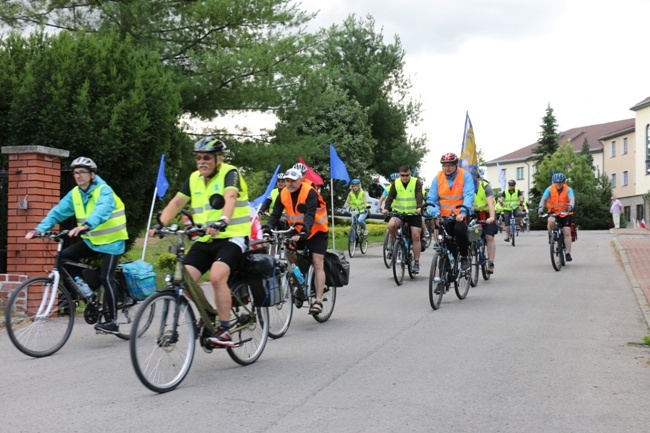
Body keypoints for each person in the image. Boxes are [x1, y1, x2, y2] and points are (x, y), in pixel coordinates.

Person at [151, 137, 251, 347]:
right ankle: (208, 313)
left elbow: (230, 197)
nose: (202, 162)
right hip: (205, 238)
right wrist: (160, 224)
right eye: (198, 158)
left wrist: (223, 220)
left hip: (232, 236)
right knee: (185, 281)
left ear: (219, 159)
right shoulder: (194, 178)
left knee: (216, 277)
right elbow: (177, 202)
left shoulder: (230, 173)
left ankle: (225, 329)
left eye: (207, 157)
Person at [26, 157, 128, 334]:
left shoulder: (104, 191)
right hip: (93, 241)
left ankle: (111, 321)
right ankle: (86, 288)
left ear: (92, 174)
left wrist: (86, 225)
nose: (78, 176)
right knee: (65, 257)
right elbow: (58, 212)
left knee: (106, 278)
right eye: (75, 172)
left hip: (112, 241)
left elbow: (102, 210)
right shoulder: (75, 193)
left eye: (82, 172)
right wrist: (39, 229)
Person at [265, 168, 329, 315]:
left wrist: (303, 232)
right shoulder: (283, 193)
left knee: (318, 262)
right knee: (286, 249)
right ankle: (299, 275)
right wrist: (268, 228)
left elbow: (310, 214)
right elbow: (275, 214)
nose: (290, 183)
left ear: (301, 180)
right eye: (287, 180)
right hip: (297, 229)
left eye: (293, 180)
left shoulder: (309, 192)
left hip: (316, 229)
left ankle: (318, 301)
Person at [426, 153, 474, 270]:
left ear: (456, 165)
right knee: (445, 242)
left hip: (460, 215)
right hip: (444, 216)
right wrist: (435, 213)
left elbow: (468, 194)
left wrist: (463, 212)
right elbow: (432, 199)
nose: (446, 168)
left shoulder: (465, 175)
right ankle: (444, 277)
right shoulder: (438, 178)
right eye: (444, 165)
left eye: (449, 165)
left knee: (459, 230)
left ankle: (463, 256)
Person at [382, 165, 424, 273]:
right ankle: (398, 242)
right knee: (390, 225)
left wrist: (419, 207)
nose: (405, 177)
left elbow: (419, 195)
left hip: (413, 213)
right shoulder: (396, 183)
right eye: (402, 175)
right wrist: (386, 208)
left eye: (407, 175)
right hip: (399, 213)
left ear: (410, 174)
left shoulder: (416, 182)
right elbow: (390, 196)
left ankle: (416, 262)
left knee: (416, 235)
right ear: (399, 174)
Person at [537, 172, 575, 261]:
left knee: (567, 231)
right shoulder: (549, 189)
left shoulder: (568, 189)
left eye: (560, 182)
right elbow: (543, 199)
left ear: (563, 182)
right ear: (554, 182)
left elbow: (572, 199)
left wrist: (570, 207)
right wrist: (540, 209)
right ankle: (551, 235)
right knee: (550, 220)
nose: (558, 184)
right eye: (557, 182)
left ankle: (568, 253)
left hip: (565, 212)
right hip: (553, 211)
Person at [472, 171, 497, 274]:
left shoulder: (485, 186)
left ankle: (490, 263)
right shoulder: (467, 187)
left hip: (487, 213)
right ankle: (472, 248)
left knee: (489, 237)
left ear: (478, 179)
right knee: (469, 233)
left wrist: (491, 217)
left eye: (474, 180)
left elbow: (490, 202)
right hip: (474, 213)